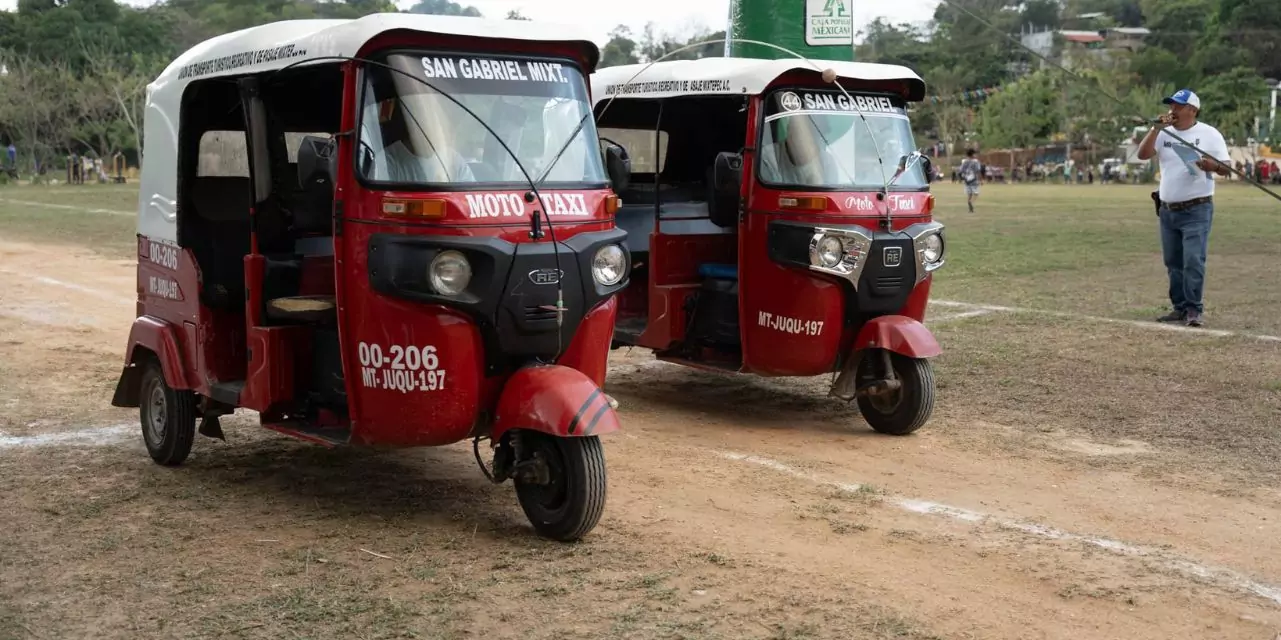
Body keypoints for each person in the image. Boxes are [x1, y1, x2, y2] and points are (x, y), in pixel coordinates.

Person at [1136, 88, 1231, 327]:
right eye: (1171, 105)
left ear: (1192, 110)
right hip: (1167, 209)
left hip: (1197, 209)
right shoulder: (1163, 133)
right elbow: (1142, 154)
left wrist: (1212, 166)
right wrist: (1155, 129)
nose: (1173, 110)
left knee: (1193, 260)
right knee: (1173, 262)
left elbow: (1227, 168)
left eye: (1178, 106)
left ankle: (1193, 309)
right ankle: (1179, 308)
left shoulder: (1209, 134)